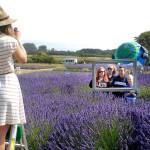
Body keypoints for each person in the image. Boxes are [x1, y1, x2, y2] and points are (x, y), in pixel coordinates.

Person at [0, 6, 27, 150]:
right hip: (6, 87)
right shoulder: (10, 41)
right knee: (1, 136)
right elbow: (23, 59)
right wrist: (18, 40)